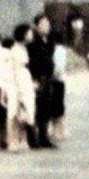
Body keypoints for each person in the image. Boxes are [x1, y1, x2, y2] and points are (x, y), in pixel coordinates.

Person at [26, 14, 56, 150]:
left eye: (48, 24)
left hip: (48, 78)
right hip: (38, 78)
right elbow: (31, 61)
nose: (47, 27)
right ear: (38, 26)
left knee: (46, 109)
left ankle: (44, 137)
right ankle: (34, 139)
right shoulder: (33, 41)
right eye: (44, 24)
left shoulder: (48, 40)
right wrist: (33, 79)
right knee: (36, 109)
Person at [5, 26, 35, 153]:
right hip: (18, 82)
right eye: (29, 33)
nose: (31, 35)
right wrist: (18, 90)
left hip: (25, 80)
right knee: (14, 113)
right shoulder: (16, 50)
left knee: (25, 111)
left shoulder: (23, 48)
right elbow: (16, 70)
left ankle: (23, 139)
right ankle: (12, 140)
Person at [49, 29, 68, 143]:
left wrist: (50, 76)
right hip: (60, 81)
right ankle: (60, 130)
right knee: (58, 107)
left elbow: (58, 69)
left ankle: (58, 131)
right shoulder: (61, 50)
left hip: (57, 81)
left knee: (57, 107)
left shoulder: (58, 51)